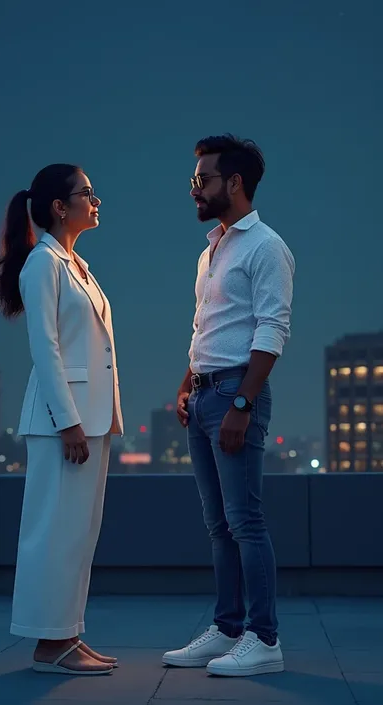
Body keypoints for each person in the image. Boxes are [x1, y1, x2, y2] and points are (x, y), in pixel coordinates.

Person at [162, 135, 295, 677]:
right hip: (205, 395)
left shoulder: (266, 246)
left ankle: (264, 640)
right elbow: (208, 326)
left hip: (237, 394)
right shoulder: (212, 247)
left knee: (246, 522)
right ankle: (227, 627)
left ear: (233, 183)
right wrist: (186, 382)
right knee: (218, 525)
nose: (194, 189)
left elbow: (272, 328)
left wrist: (242, 401)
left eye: (203, 180)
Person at [0, 163, 123, 676]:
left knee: (78, 533)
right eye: (86, 193)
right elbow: (43, 349)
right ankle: (48, 644)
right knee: (53, 532)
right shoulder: (43, 264)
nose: (95, 200)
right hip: (62, 424)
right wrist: (67, 421)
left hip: (90, 420)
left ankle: (67, 634)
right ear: (58, 207)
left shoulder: (75, 264)